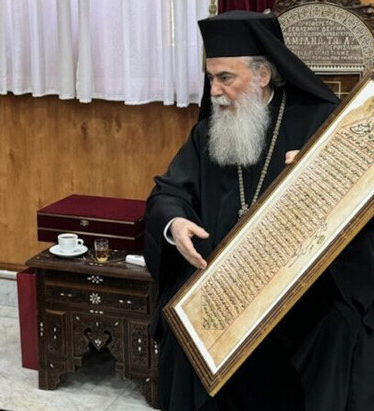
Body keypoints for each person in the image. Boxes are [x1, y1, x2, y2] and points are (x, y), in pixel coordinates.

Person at [144, 11, 374, 411]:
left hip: (302, 286)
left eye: (225, 78)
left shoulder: (320, 122)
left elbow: (361, 194)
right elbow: (169, 192)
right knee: (185, 324)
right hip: (223, 284)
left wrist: (318, 175)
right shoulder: (208, 132)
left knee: (341, 328)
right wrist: (175, 223)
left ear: (263, 75)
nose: (213, 91)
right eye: (210, 77)